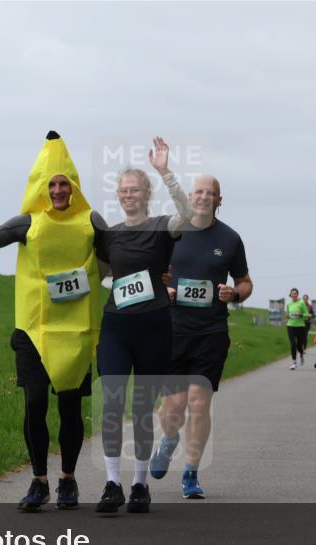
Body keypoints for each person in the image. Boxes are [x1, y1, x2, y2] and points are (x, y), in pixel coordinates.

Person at [0, 131, 104, 512]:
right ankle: (39, 480)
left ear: (73, 187)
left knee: (70, 407)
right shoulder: (28, 222)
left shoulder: (91, 221)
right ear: (42, 188)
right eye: (52, 184)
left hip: (74, 330)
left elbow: (119, 255)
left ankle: (68, 480)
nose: (58, 190)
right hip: (32, 328)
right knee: (35, 403)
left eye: (64, 183)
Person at [95, 137, 193, 514]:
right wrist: (116, 287)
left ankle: (139, 485)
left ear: (146, 192)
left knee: (141, 406)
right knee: (112, 404)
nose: (128, 195)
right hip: (116, 327)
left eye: (134, 190)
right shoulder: (110, 235)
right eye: (123, 191)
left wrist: (166, 172)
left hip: (153, 326)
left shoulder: (160, 226)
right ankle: (111, 484)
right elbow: (105, 274)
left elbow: (188, 214)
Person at [152, 175, 252, 499]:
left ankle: (191, 473)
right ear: (190, 197)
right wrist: (162, 288)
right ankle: (168, 440)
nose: (205, 197)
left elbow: (246, 282)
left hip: (211, 332)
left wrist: (234, 293)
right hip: (172, 330)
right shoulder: (174, 233)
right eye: (199, 191)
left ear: (218, 200)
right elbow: (153, 271)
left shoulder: (231, 239)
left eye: (211, 193)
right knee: (173, 408)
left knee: (198, 403)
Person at [285, 288, 311, 370]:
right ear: (290, 295)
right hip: (290, 326)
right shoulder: (288, 305)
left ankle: (301, 355)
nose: (294, 295)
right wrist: (287, 316)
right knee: (293, 344)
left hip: (300, 326)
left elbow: (307, 314)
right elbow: (287, 315)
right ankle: (294, 363)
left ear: (297, 295)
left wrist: (301, 314)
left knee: (299, 344)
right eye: (292, 293)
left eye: (295, 293)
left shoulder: (301, 303)